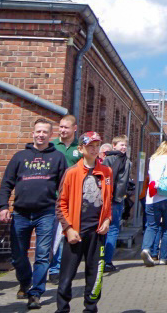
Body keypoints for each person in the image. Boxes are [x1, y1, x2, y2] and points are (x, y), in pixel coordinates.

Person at [0, 119, 67, 310]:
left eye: (45, 132)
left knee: (42, 255)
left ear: (50, 135)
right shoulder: (20, 157)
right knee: (18, 256)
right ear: (33, 133)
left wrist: (62, 209)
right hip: (20, 213)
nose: (41, 135)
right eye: (38, 131)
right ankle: (25, 281)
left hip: (46, 213)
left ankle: (36, 293)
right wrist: (3, 206)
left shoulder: (58, 157)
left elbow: (64, 186)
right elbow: (6, 183)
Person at [55, 132, 112, 313]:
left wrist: (107, 220)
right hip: (76, 232)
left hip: (97, 232)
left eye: (96, 146)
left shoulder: (106, 172)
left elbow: (108, 202)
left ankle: (91, 308)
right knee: (66, 276)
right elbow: (61, 204)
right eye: (90, 146)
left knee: (95, 275)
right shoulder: (72, 172)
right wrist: (68, 228)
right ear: (81, 149)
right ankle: (62, 309)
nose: (94, 150)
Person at [139, 142, 167, 266]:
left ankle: (146, 249)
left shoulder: (153, 160)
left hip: (152, 198)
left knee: (151, 226)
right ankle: (164, 258)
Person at [48, 116, 81, 283]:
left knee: (63, 235)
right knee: (50, 235)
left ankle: (57, 269)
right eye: (60, 127)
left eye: (66, 127)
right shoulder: (52, 145)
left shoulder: (79, 148)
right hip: (52, 196)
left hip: (71, 198)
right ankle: (49, 266)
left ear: (74, 128)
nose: (62, 130)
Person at [101, 136, 134, 273]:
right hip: (112, 198)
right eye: (121, 145)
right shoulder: (113, 159)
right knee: (112, 229)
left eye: (125, 145)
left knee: (110, 229)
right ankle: (106, 261)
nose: (124, 147)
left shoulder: (125, 161)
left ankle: (103, 260)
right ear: (114, 145)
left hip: (116, 198)